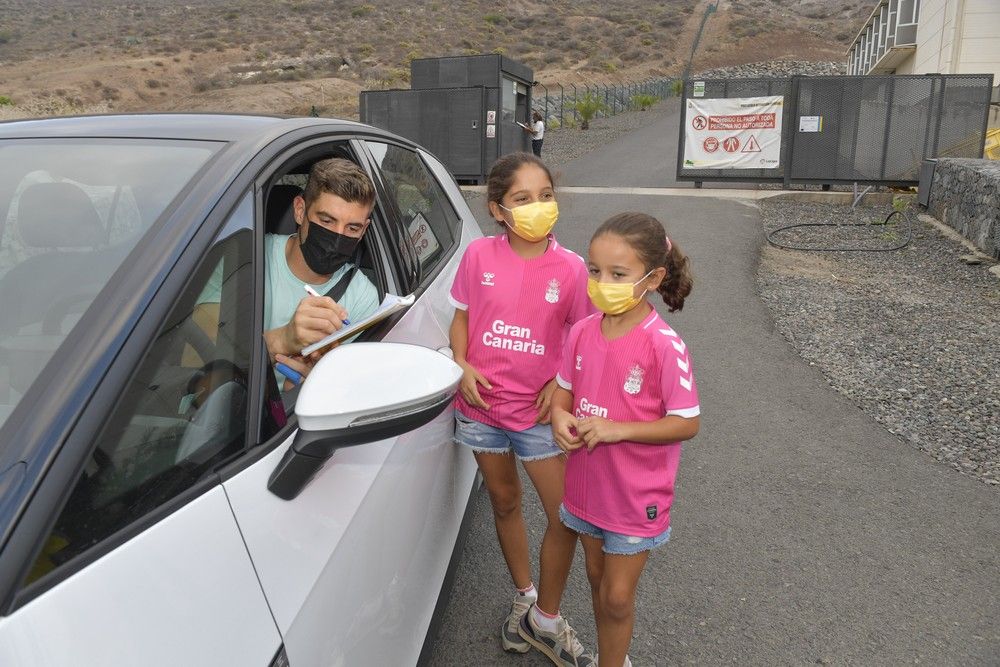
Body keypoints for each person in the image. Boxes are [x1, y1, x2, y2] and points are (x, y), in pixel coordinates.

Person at [448, 152, 595, 665]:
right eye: (523, 199)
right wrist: (461, 363)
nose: (538, 207)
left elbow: (584, 343)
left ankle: (546, 619)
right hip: (481, 411)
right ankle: (525, 599)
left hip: (538, 419)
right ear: (498, 209)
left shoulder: (573, 269)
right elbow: (462, 318)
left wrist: (560, 391)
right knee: (504, 501)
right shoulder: (478, 257)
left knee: (568, 516)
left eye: (546, 195)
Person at [535, 212, 701, 667]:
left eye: (618, 274)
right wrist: (559, 416)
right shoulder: (584, 331)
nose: (601, 282)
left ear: (653, 278)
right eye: (594, 270)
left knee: (617, 595)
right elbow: (565, 387)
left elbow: (686, 421)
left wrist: (616, 430)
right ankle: (613, 656)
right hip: (587, 485)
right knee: (595, 576)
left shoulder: (664, 344)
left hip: (635, 495)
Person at [261, 158, 380, 386]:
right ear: (300, 210)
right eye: (326, 221)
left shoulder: (364, 299)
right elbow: (203, 357)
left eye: (352, 228)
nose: (337, 238)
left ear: (364, 230)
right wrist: (284, 339)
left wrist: (318, 383)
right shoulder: (249, 256)